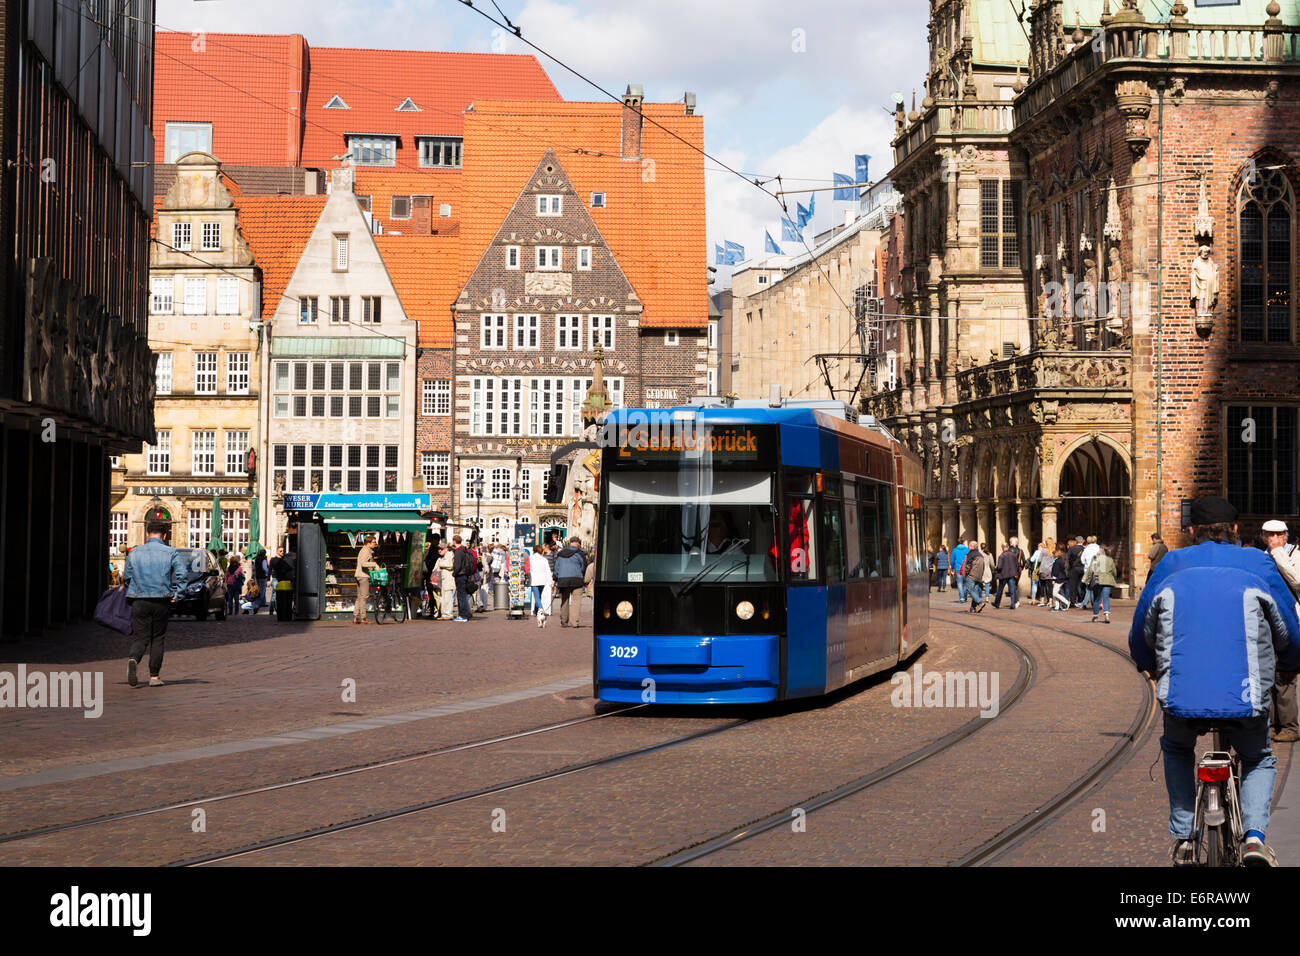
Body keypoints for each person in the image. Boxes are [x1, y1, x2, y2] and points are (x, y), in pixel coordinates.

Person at [1130, 495, 1300, 867]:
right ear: (1237, 530)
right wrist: (1290, 665)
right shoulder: (1259, 562)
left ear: (1191, 531)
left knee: (1177, 749)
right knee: (1257, 757)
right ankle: (1254, 838)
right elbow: (1288, 628)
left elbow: (1141, 631)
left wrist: (1147, 664)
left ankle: (1184, 839)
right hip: (1247, 694)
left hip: (1181, 693)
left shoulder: (1170, 563)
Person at [122, 513, 188, 687]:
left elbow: (126, 577)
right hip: (161, 599)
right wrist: (178, 594)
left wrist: (136, 588)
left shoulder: (134, 552)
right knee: (158, 637)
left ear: (147, 534)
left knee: (140, 637)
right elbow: (182, 576)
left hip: (139, 599)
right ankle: (154, 677)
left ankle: (134, 659)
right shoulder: (171, 552)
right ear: (165, 536)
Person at [1263, 519, 1300, 743]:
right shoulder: (1259, 557)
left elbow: (1297, 581)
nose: (1274, 539)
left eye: (1278, 534)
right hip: (1267, 621)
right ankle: (1270, 724)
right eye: (1270, 534)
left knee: (1286, 675)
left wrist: (1278, 555)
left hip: (1292, 621)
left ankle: (1290, 726)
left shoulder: (1295, 554)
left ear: (1286, 535)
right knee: (1267, 673)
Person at [554, 536, 589, 628]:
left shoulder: (560, 553)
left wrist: (556, 578)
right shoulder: (579, 554)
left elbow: (556, 567)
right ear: (577, 543)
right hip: (576, 579)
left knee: (564, 600)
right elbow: (583, 567)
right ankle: (575, 622)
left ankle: (564, 621)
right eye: (579, 543)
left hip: (563, 579)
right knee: (576, 601)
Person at [1087, 543, 1118, 624]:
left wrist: (1086, 579)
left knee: (1096, 598)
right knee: (1106, 597)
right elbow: (1114, 571)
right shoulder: (1110, 559)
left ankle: (1095, 615)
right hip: (1107, 580)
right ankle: (1107, 615)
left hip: (1097, 580)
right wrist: (1114, 576)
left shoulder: (1095, 558)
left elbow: (1092, 570)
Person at [353, 534, 379, 625]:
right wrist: (374, 564)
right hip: (363, 576)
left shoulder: (365, 550)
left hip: (359, 575)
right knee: (364, 597)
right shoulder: (366, 551)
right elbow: (363, 563)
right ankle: (363, 618)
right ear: (368, 543)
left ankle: (356, 617)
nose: (375, 544)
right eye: (373, 542)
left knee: (359, 597)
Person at [991, 539, 1023, 610]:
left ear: (1002, 548)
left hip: (1003, 575)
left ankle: (997, 603)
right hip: (1011, 575)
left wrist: (996, 569)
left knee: (1000, 590)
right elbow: (1017, 565)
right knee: (1012, 590)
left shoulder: (1001, 556)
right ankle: (1012, 604)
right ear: (1008, 547)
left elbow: (999, 567)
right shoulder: (1013, 555)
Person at [529, 540, 554, 628]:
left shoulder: (531, 558)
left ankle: (541, 610)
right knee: (539, 596)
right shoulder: (544, 559)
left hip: (534, 580)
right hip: (543, 581)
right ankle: (535, 612)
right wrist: (550, 581)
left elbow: (529, 569)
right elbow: (548, 571)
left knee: (537, 597)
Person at [452, 535, 475, 622]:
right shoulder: (464, 550)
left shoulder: (458, 551)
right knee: (463, 596)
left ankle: (462, 616)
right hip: (465, 574)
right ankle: (465, 614)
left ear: (454, 541)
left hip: (460, 575)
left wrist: (454, 573)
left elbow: (457, 565)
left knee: (461, 596)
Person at [271, 547, 296, 622]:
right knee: (276, 596)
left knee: (276, 597)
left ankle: (278, 614)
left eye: (283, 551)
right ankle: (273, 611)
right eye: (280, 551)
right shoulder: (279, 560)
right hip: (284, 583)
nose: (282, 552)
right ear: (277, 551)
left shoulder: (284, 559)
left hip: (281, 583)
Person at [962, 540, 987, 613]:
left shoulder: (970, 554)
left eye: (969, 546)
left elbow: (968, 565)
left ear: (971, 546)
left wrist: (965, 574)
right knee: (975, 592)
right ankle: (972, 608)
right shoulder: (980, 555)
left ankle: (980, 602)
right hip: (979, 576)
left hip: (971, 575)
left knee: (970, 590)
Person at [436, 543, 457, 620]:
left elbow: (451, 565)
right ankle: (444, 614)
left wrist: (441, 564)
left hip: (448, 579)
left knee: (448, 597)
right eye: (438, 549)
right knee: (442, 598)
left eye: (441, 549)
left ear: (446, 549)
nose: (439, 550)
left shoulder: (449, 554)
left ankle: (449, 614)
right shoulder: (441, 557)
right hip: (442, 579)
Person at [1080, 535, 1100, 611]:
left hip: (1087, 570)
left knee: (1089, 588)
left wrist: (1086, 563)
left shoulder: (1086, 550)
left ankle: (1085, 603)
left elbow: (1082, 560)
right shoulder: (1099, 548)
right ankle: (1093, 603)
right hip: (1096, 569)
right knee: (1094, 588)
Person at [1066, 536, 1086, 608]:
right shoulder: (1085, 549)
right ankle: (1082, 601)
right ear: (1083, 541)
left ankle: (1073, 602)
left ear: (1076, 541)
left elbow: (1068, 559)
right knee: (1083, 585)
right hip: (1083, 568)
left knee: (1073, 586)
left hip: (1074, 569)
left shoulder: (1072, 549)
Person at [1049, 545, 1070, 610]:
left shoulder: (1057, 561)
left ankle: (1066, 602)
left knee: (1054, 593)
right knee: (1055, 593)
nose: (1052, 555)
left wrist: (1053, 579)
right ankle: (1057, 606)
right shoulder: (1060, 560)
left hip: (1059, 579)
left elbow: (1056, 571)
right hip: (1061, 578)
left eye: (1053, 554)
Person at [224, 554, 245, 619]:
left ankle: (231, 611)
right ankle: (236, 611)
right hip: (235, 585)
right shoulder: (239, 568)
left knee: (231, 599)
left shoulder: (228, 568)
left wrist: (227, 582)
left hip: (231, 584)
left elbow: (226, 576)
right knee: (235, 598)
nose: (234, 564)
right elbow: (243, 576)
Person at [1036, 538, 1056, 606]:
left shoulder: (1043, 550)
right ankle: (1050, 601)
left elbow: (1039, 560)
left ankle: (1042, 600)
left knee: (1042, 586)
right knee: (1050, 586)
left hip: (1043, 570)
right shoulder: (1053, 551)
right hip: (1050, 570)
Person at [950, 539, 970, 604]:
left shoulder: (955, 550)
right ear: (963, 543)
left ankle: (962, 597)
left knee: (959, 583)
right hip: (966, 569)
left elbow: (952, 560)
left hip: (958, 569)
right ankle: (964, 596)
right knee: (965, 583)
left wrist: (952, 568)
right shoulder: (967, 550)